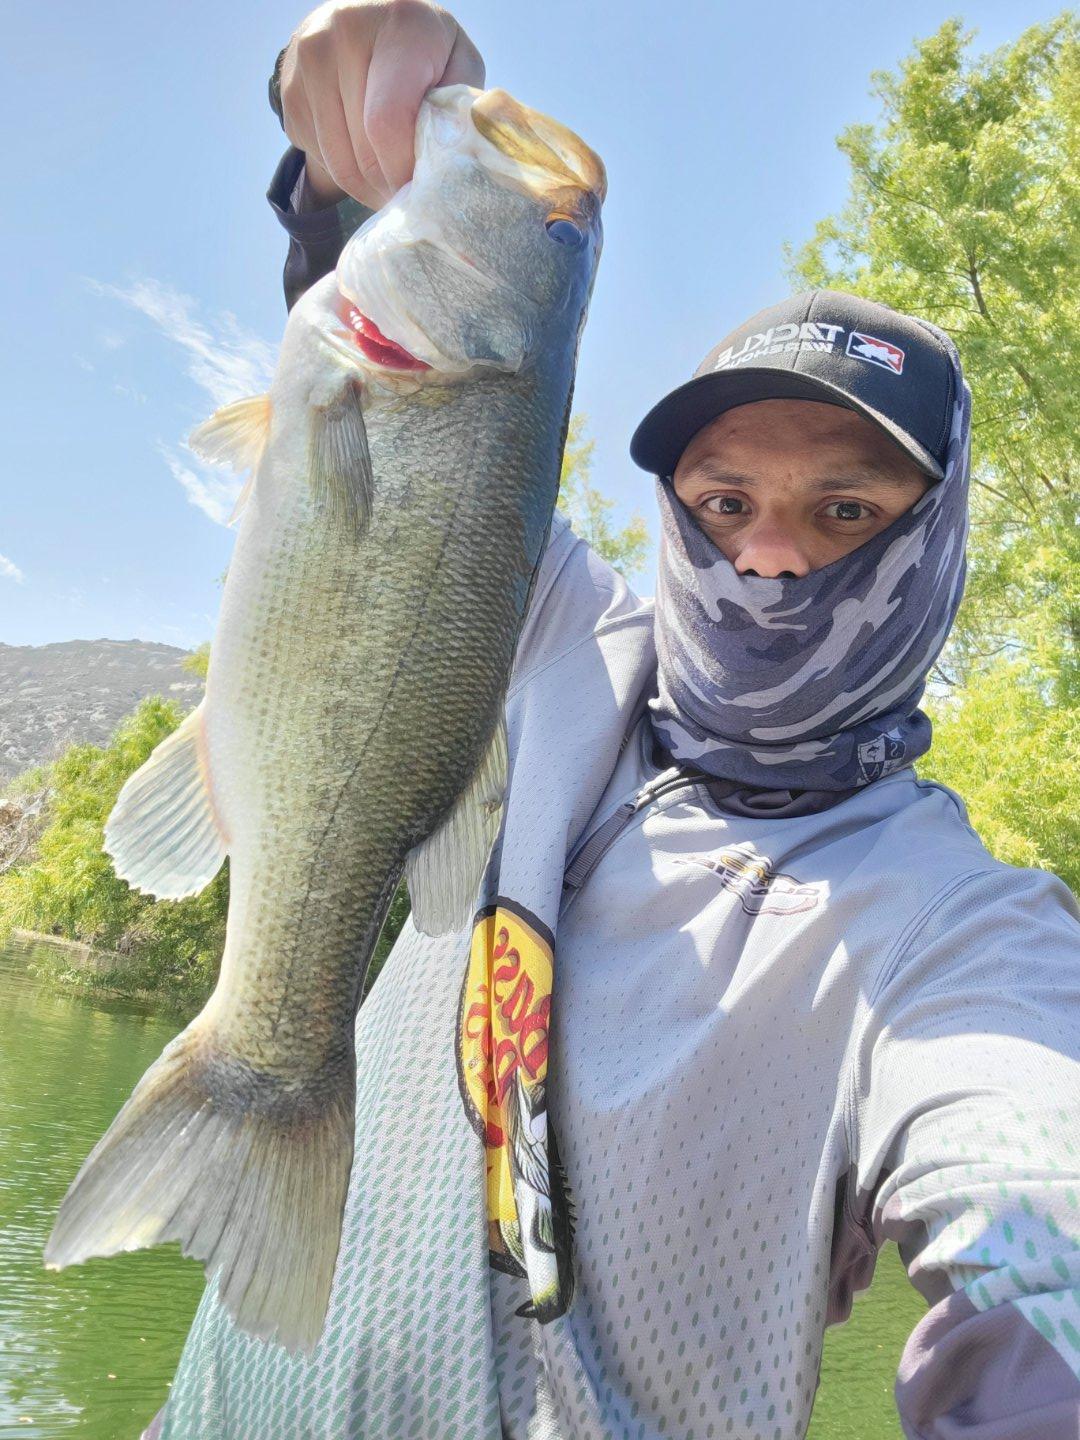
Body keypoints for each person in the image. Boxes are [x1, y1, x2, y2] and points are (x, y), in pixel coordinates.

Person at [146, 4, 1080, 1437]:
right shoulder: (545, 636)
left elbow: (1033, 1179)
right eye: (724, 502)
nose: (769, 559)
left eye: (845, 511)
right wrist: (344, 133)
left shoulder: (957, 928)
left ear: (936, 543)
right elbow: (400, 458)